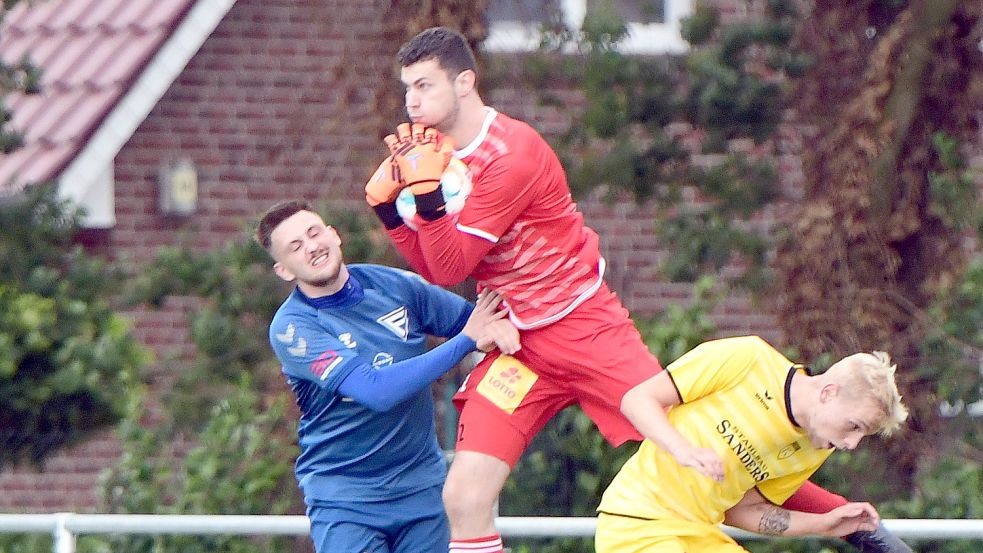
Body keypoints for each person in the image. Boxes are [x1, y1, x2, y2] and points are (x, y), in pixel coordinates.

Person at [364, 26, 911, 553]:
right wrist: (392, 212)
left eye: (424, 85)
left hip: (582, 327)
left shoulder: (512, 153)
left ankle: (856, 527)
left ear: (465, 83)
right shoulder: (432, 153)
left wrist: (422, 203)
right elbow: (437, 266)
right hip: (516, 345)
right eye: (407, 87)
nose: (411, 101)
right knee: (463, 496)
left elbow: (453, 258)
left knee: (698, 442)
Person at [256, 199, 520, 553]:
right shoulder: (293, 327)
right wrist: (466, 342)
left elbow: (485, 322)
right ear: (284, 270)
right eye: (295, 247)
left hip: (422, 491)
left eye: (314, 232)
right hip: (346, 498)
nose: (312, 247)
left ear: (334, 236)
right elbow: (375, 391)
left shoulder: (395, 287)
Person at [595, 335, 910, 552]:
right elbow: (637, 399)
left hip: (698, 535)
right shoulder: (748, 360)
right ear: (828, 393)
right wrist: (682, 450)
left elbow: (741, 511)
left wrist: (825, 524)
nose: (851, 443)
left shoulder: (815, 447)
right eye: (854, 426)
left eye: (861, 435)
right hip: (638, 522)